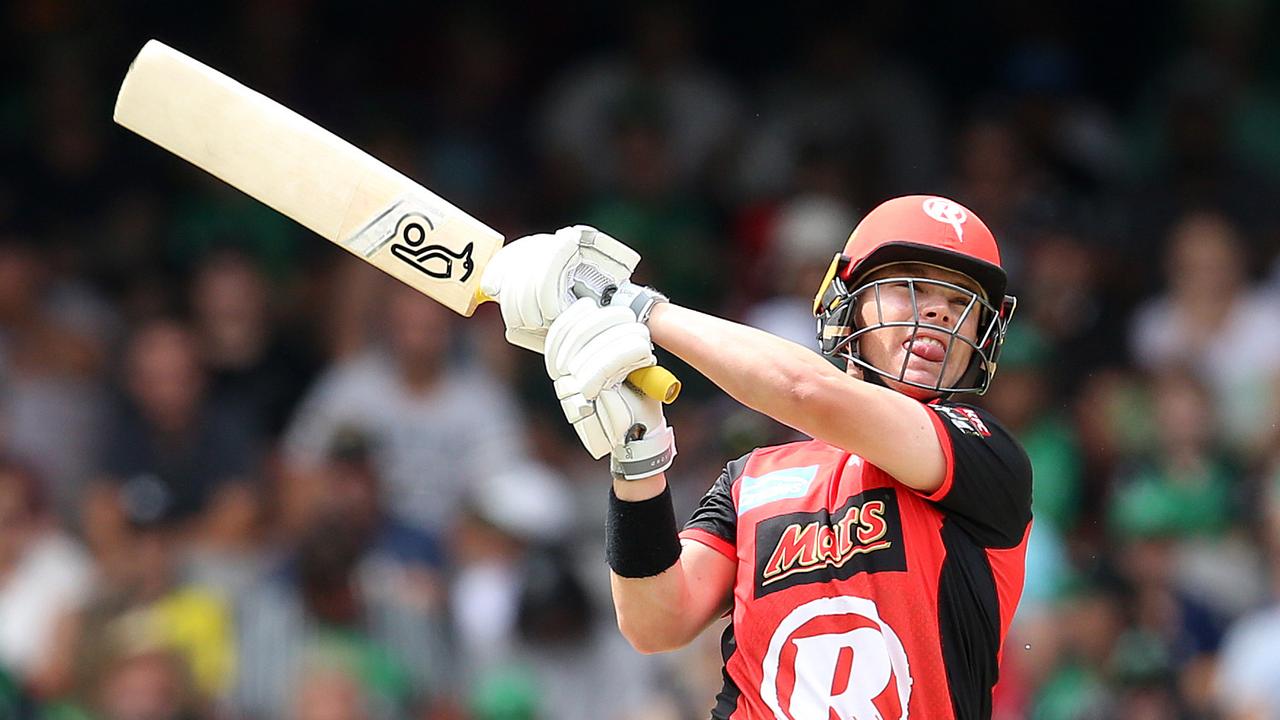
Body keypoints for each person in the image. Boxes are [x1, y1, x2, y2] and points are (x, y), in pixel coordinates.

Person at [481, 195, 1033, 719]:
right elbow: (655, 622)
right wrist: (638, 461)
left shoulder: (985, 455)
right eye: (912, 289)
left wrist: (629, 304)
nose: (939, 312)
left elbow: (805, 391)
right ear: (850, 306)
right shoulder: (751, 480)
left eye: (961, 302)